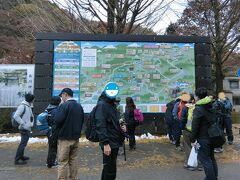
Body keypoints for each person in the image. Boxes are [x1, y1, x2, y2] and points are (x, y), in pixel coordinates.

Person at [55, 88, 84, 180]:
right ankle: (73, 178)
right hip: (75, 138)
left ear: (65, 94)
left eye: (61, 96)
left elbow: (57, 120)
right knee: (73, 159)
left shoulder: (64, 106)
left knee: (62, 161)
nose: (61, 98)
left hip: (64, 138)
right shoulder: (79, 106)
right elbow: (82, 121)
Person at [95, 91, 125, 180]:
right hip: (109, 142)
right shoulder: (102, 105)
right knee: (109, 170)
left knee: (110, 169)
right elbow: (100, 125)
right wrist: (105, 143)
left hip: (114, 141)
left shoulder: (111, 105)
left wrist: (122, 127)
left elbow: (113, 123)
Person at [191, 87, 218, 180]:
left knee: (205, 160)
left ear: (197, 97)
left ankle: (210, 178)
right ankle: (214, 177)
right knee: (211, 158)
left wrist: (192, 139)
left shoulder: (198, 108)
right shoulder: (211, 105)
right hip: (212, 135)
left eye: (195, 95)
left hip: (203, 137)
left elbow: (195, 126)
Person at [14, 93, 35, 165]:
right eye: (33, 99)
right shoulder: (23, 106)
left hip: (26, 127)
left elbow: (30, 116)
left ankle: (21, 156)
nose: (34, 100)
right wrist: (23, 123)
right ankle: (17, 160)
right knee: (22, 144)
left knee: (23, 143)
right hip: (24, 128)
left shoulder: (27, 106)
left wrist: (30, 124)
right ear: (31, 99)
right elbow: (16, 116)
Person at [45, 96, 61, 168]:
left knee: (51, 146)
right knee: (53, 147)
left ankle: (49, 161)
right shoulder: (55, 110)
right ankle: (51, 163)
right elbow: (56, 121)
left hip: (49, 130)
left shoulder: (48, 108)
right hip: (53, 131)